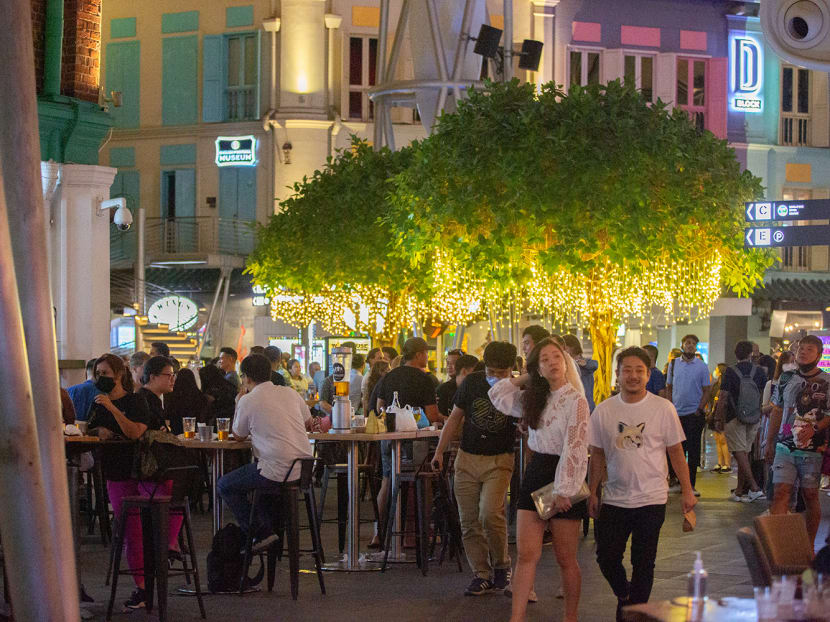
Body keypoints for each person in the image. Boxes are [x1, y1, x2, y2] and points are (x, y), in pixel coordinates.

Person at [588, 347, 696, 621]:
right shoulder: (604, 410)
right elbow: (597, 453)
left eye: (639, 371)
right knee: (607, 557)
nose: (633, 376)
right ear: (618, 374)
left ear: (649, 375)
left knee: (643, 562)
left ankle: (634, 611)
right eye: (627, 370)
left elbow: (675, 452)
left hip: (652, 498)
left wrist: (686, 490)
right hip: (613, 498)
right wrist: (593, 491)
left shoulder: (663, 408)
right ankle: (625, 595)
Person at [489, 338, 589, 622]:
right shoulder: (533, 397)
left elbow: (576, 445)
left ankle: (571, 616)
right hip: (537, 472)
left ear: (566, 361)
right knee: (526, 553)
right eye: (544, 359)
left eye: (556, 357)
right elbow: (498, 393)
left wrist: (564, 489)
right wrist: (530, 374)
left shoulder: (576, 399)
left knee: (565, 557)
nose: (552, 363)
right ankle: (516, 617)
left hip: (564, 472)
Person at [87, 353, 180, 610]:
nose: (100, 378)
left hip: (141, 470)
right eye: (97, 374)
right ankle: (141, 587)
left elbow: (135, 431)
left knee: (142, 529)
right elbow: (89, 429)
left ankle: (149, 583)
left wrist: (112, 408)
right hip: (114, 469)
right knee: (130, 530)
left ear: (119, 375)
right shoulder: (97, 402)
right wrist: (97, 431)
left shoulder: (135, 401)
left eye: (105, 373)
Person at [431, 342, 518, 596]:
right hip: (467, 458)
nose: (495, 378)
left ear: (512, 369)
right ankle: (481, 573)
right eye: (491, 371)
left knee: (490, 513)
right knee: (468, 520)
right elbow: (456, 417)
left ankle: (502, 564)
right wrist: (439, 451)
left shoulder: (518, 388)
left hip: (500, 459)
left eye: (502, 373)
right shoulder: (472, 383)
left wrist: (514, 381)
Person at [217, 354, 313, 550]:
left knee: (225, 485)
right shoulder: (290, 392)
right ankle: (265, 532)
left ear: (247, 378)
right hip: (303, 469)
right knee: (256, 486)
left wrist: (238, 402)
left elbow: (238, 435)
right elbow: (307, 423)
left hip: (275, 470)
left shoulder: (248, 399)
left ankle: (261, 533)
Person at [375, 338, 441, 545]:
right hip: (415, 441)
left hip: (389, 436)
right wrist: (449, 419)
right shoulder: (424, 379)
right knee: (418, 482)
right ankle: (413, 534)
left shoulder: (389, 376)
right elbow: (432, 415)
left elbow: (379, 408)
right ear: (420, 354)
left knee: (387, 481)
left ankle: (379, 532)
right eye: (426, 353)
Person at [766, 335, 830, 547]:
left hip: (812, 448)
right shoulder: (786, 378)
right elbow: (777, 409)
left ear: (819, 355)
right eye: (801, 348)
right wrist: (770, 441)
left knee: (810, 494)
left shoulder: (827, 381)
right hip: (785, 444)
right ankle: (778, 546)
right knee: (780, 492)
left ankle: (809, 545)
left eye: (809, 349)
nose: (803, 352)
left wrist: (815, 428)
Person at [715, 341, 767, 502]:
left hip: (734, 416)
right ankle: (739, 491)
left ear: (736, 353)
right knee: (744, 453)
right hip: (754, 417)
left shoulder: (730, 371)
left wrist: (718, 418)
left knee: (739, 453)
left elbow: (723, 396)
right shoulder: (759, 371)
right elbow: (763, 394)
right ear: (751, 354)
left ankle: (754, 487)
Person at [665, 335, 711, 495]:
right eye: (688, 343)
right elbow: (669, 387)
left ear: (697, 347)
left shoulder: (702, 366)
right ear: (683, 345)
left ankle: (690, 485)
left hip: (694, 414)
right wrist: (670, 407)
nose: (690, 346)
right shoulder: (674, 364)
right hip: (677, 414)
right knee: (676, 449)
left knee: (693, 451)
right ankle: (676, 481)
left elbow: (707, 390)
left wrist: (699, 408)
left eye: (693, 344)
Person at [165, 368, 210, 435]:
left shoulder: (172, 396)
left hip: (176, 431)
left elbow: (167, 414)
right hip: (195, 432)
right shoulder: (200, 396)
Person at [137, 356, 174, 430]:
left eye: (173, 375)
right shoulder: (142, 401)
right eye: (169, 375)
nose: (173, 380)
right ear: (153, 377)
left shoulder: (154, 399)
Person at [707, 363, 731, 475]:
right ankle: (720, 463)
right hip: (716, 414)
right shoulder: (716, 385)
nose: (715, 371)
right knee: (718, 439)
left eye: (716, 369)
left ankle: (727, 464)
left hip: (721, 415)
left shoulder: (723, 386)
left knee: (722, 440)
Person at [563, 334, 599, 411]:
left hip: (587, 406)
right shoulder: (565, 364)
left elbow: (594, 365)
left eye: (564, 347)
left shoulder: (585, 363)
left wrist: (580, 363)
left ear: (572, 347)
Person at [437, 349, 465, 417]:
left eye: (454, 363)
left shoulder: (469, 386)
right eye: (448, 363)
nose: (449, 366)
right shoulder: (443, 388)